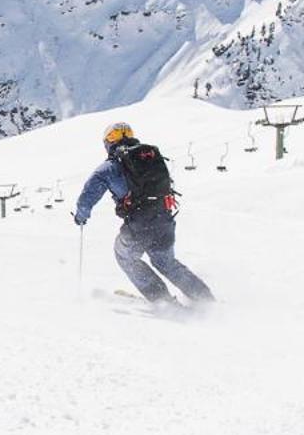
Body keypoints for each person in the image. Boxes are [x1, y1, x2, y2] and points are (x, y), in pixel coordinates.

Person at [72, 121, 213, 307]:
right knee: (166, 262)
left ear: (108, 142)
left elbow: (89, 194)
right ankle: (205, 299)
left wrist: (81, 215)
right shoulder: (149, 157)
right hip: (164, 217)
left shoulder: (110, 167)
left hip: (139, 223)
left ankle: (163, 301)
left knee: (125, 256)